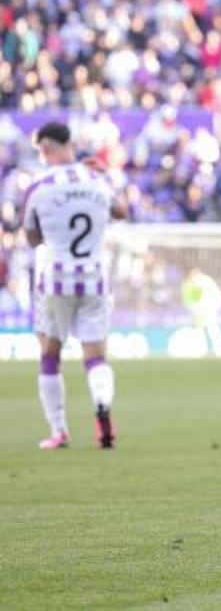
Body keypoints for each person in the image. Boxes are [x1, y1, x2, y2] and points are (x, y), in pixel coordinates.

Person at [22, 123, 127, 450]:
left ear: (46, 150)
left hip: (55, 279)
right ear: (71, 145)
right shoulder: (98, 180)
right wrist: (103, 176)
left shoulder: (38, 187)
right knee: (96, 355)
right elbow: (121, 211)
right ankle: (102, 410)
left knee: (50, 354)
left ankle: (59, 431)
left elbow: (31, 237)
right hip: (95, 277)